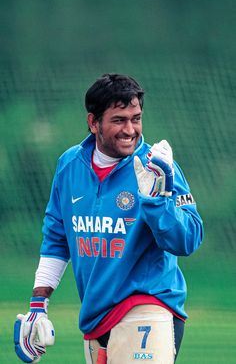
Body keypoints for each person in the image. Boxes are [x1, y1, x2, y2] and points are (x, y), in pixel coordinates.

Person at [14, 73, 204, 364]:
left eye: (136, 118)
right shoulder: (69, 166)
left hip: (148, 304)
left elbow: (187, 240)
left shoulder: (159, 167)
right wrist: (38, 304)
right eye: (119, 120)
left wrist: (158, 201)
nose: (130, 129)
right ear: (93, 123)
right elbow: (56, 238)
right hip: (95, 314)